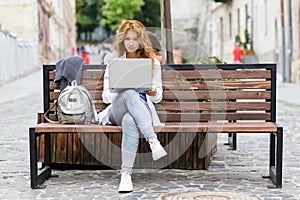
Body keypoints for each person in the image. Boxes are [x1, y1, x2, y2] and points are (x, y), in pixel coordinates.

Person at [98, 20, 167, 193]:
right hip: (117, 110)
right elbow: (106, 97)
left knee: (130, 121)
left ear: (141, 41)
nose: (130, 43)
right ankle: (152, 140)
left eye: (134, 39)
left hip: (139, 112)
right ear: (122, 40)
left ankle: (125, 176)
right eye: (127, 39)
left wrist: (152, 92)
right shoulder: (114, 62)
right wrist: (118, 88)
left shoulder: (152, 63)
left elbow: (159, 96)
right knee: (128, 93)